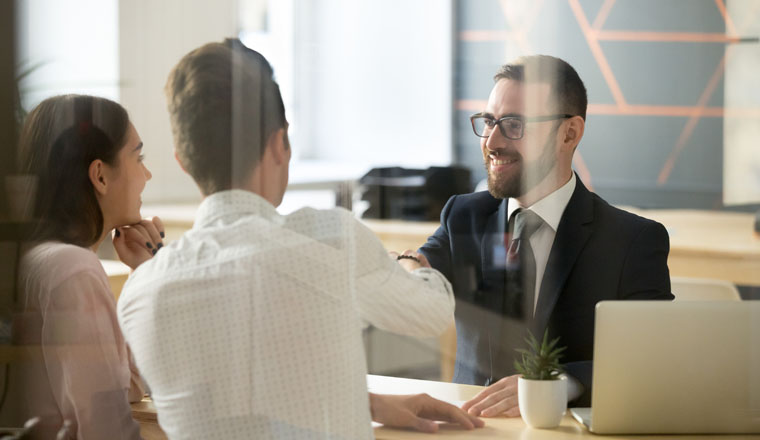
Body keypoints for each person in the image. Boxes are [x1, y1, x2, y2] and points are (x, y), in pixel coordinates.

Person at [117, 38, 483, 439]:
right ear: (279, 143)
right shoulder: (330, 240)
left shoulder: (140, 293)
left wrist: (372, 403)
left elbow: (239, 400)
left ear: (183, 162)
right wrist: (409, 262)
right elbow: (432, 312)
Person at [419, 55, 673, 416]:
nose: (492, 141)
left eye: (514, 125)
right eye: (489, 121)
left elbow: (653, 358)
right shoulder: (464, 215)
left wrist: (558, 383)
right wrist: (409, 265)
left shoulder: (632, 241)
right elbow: (422, 268)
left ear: (569, 133)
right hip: (470, 428)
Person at [1, 95, 163, 438]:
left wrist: (141, 274)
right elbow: (106, 427)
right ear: (100, 176)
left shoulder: (37, 257)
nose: (147, 174)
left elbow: (127, 386)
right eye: (139, 157)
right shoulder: (74, 268)